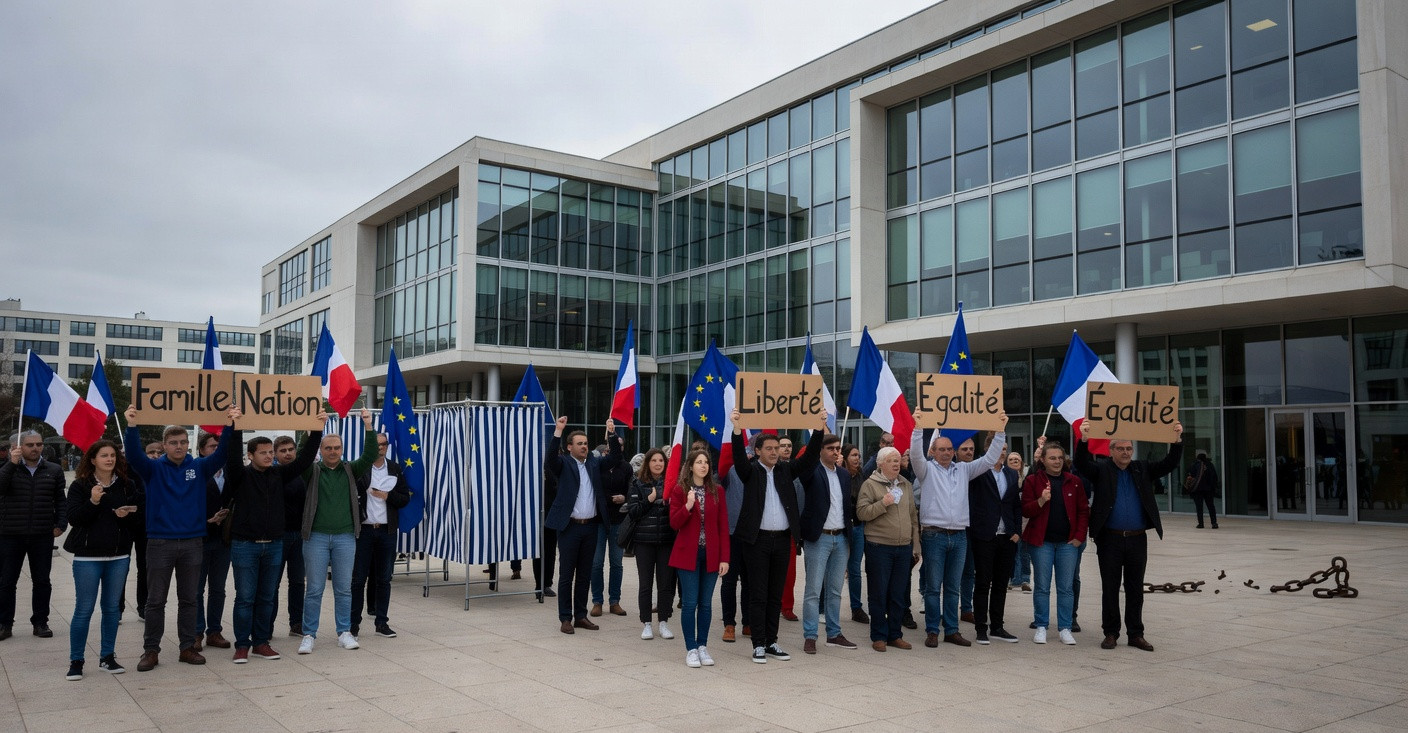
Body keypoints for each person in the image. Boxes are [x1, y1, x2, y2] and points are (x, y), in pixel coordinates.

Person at [123, 405, 238, 671]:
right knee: (155, 601)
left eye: (183, 442)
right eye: (173, 443)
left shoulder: (199, 467)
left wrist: (230, 426)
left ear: (188, 444)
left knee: (189, 599)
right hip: (160, 543)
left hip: (192, 542)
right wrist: (131, 426)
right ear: (164, 445)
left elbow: (221, 454)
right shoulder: (152, 470)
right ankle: (151, 651)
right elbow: (133, 455)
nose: (179, 446)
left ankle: (187, 647)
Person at [222, 415, 322, 663]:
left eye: (270, 452)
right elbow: (232, 457)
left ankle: (261, 642)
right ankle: (242, 645)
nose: (269, 456)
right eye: (263, 453)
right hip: (245, 545)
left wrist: (316, 430)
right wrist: (235, 427)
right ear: (250, 455)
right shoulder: (240, 475)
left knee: (267, 596)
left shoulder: (279, 474)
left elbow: (305, 459)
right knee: (245, 597)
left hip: (274, 545)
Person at [1076, 421, 1182, 652]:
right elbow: (1081, 464)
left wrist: (1176, 441)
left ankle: (1136, 633)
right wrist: (1083, 440)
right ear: (1111, 451)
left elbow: (1169, 463)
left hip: (1136, 539)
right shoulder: (1102, 469)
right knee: (1110, 587)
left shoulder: (1141, 468)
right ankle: (1111, 633)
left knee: (1135, 588)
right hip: (1110, 540)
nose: (1125, 453)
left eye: (1129, 449)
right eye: (1121, 449)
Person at [729, 409, 823, 664]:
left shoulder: (785, 470)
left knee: (774, 594)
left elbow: (811, 457)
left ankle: (771, 641)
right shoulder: (750, 472)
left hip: (783, 540)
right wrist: (737, 429)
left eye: (776, 448)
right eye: (769, 448)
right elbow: (738, 458)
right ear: (758, 451)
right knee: (758, 594)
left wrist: (819, 428)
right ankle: (758, 643)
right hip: (757, 541)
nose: (774, 452)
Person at [909, 412, 1008, 649]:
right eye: (940, 449)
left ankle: (951, 630)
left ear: (953, 452)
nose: (945, 452)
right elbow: (914, 455)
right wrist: (918, 428)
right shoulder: (926, 471)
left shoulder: (963, 471)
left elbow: (989, 459)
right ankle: (933, 630)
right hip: (934, 535)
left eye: (948, 449)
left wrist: (1000, 430)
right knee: (933, 587)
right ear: (932, 451)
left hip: (960, 536)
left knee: (953, 587)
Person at [298, 408, 378, 655]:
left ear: (342, 450)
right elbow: (302, 455)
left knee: (344, 588)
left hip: (345, 537)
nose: (332, 452)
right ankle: (308, 634)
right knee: (314, 589)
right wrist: (313, 428)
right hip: (316, 538)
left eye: (337, 448)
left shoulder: (350, 470)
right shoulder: (312, 471)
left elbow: (371, 454)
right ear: (321, 450)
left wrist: (368, 426)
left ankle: (344, 631)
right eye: (328, 448)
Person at [63, 440, 143, 679]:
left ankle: (107, 657)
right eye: (104, 455)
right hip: (88, 558)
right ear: (93, 459)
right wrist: (93, 501)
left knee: (111, 609)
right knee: (84, 609)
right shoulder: (80, 486)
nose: (110, 459)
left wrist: (125, 516)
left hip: (119, 555)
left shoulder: (127, 485)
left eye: (113, 455)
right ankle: (76, 660)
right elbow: (75, 519)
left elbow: (137, 519)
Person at [544, 416, 621, 634]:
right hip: (569, 528)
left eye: (586, 443)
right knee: (567, 574)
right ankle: (565, 618)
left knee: (585, 574)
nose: (584, 447)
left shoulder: (595, 463)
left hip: (590, 528)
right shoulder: (564, 464)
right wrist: (558, 430)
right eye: (580, 444)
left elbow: (615, 457)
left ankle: (580, 615)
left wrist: (612, 433)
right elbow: (550, 459)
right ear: (570, 447)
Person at [0, 430, 67, 642]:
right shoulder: (6, 469)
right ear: (17, 447)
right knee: (6, 581)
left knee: (42, 581)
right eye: (30, 445)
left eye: (38, 444)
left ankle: (40, 622)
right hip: (10, 534)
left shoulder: (53, 470)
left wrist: (61, 523)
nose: (35, 448)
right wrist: (12, 463)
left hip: (41, 534)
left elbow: (60, 500)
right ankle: (4, 624)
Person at [1021, 441, 1088, 646]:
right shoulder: (1032, 481)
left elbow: (1083, 510)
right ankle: (1041, 625)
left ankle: (1065, 628)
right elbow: (1025, 510)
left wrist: (1079, 536)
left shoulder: (1074, 481)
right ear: (1043, 460)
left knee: (1066, 587)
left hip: (1068, 543)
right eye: (1052, 458)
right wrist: (1041, 500)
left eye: (1060, 458)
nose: (1057, 461)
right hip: (1042, 543)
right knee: (1042, 586)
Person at [668, 449, 730, 668]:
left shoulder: (717, 491)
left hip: (711, 555)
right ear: (691, 466)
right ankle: (691, 648)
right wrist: (688, 505)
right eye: (699, 462)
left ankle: (703, 645)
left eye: (706, 462)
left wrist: (725, 558)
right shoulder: (679, 490)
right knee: (690, 603)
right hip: (688, 555)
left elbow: (723, 526)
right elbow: (674, 523)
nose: (703, 466)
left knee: (705, 604)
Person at [855, 447, 919, 652]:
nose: (896, 463)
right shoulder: (870, 485)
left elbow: (912, 517)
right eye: (891, 460)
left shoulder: (906, 484)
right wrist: (883, 503)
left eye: (898, 460)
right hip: (879, 546)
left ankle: (895, 635)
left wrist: (915, 545)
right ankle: (879, 636)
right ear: (880, 464)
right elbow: (862, 513)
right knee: (878, 593)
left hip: (903, 547)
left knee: (898, 595)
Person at [799, 432, 858, 654]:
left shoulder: (844, 475)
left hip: (841, 537)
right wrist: (817, 434)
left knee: (834, 590)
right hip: (819, 537)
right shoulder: (811, 472)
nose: (836, 452)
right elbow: (806, 467)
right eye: (831, 448)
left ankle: (834, 633)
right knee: (813, 590)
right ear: (821, 451)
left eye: (837, 448)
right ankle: (811, 635)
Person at [352, 431, 411, 639]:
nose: (380, 448)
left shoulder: (394, 469)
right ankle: (353, 624)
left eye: (384, 444)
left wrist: (388, 496)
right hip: (365, 530)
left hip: (386, 530)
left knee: (384, 579)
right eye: (377, 445)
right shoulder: (359, 468)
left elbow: (404, 498)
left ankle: (382, 622)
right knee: (358, 579)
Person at [967, 441, 1022, 645]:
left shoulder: (1011, 473)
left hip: (1007, 537)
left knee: (1001, 584)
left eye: (1005, 450)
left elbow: (1015, 504)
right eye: (998, 449)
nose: (1002, 453)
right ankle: (981, 627)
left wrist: (1016, 531)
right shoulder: (979, 471)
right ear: (988, 450)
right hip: (984, 535)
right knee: (983, 583)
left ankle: (997, 626)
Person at [625, 448, 675, 641]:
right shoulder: (637, 483)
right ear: (648, 463)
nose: (657, 464)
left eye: (661, 461)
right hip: (643, 542)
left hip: (666, 541)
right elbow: (633, 511)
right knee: (645, 584)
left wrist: (667, 503)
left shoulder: (671, 483)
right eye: (654, 460)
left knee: (665, 585)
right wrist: (650, 500)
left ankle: (663, 622)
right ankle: (646, 622)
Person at [194, 431, 232, 653]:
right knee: (196, 589)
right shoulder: (195, 471)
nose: (216, 450)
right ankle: (196, 631)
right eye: (211, 447)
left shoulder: (230, 471)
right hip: (200, 538)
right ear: (201, 450)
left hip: (223, 540)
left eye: (219, 446)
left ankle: (214, 631)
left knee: (218, 588)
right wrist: (207, 520)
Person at [591, 428, 630, 618]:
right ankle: (597, 601)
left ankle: (615, 601)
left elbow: (632, 491)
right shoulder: (598, 465)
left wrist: (625, 498)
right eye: (613, 445)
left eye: (619, 445)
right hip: (599, 520)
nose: (616, 448)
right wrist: (608, 498)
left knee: (616, 563)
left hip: (618, 521)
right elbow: (594, 491)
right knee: (596, 563)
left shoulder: (626, 467)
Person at [272, 435, 307, 637]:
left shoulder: (303, 472)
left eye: (290, 449)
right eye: (283, 450)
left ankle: (297, 623)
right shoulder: (274, 474)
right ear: (276, 454)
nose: (287, 453)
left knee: (297, 582)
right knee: (272, 583)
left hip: (299, 536)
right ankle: (266, 626)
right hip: (279, 536)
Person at [718, 465, 749, 643]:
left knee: (750, 582)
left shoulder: (756, 468)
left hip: (752, 534)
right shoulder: (727, 469)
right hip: (730, 533)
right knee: (729, 582)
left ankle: (748, 622)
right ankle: (729, 624)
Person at [841, 444, 868, 624]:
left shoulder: (862, 477)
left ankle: (856, 607)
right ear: (844, 458)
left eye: (858, 455)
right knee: (833, 569)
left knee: (855, 569)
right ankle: (823, 607)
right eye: (853, 455)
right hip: (842, 527)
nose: (857, 458)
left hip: (858, 527)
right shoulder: (838, 475)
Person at [776, 436, 800, 624]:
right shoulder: (769, 469)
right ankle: (773, 604)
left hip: (792, 527)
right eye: (782, 446)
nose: (786, 449)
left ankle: (787, 607)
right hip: (771, 526)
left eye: (789, 445)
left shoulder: (796, 468)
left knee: (790, 571)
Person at [1005, 451, 1033, 593]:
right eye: (1011, 459)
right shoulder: (1004, 477)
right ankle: (1011, 578)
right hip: (1010, 523)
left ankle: (1025, 579)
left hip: (1026, 523)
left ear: (1021, 463)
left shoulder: (1027, 479)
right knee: (1011, 552)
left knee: (1024, 553)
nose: (1014, 461)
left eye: (1017, 459)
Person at [1188, 451, 1220, 529]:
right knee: (1211, 506)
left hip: (1197, 490)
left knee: (1199, 507)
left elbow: (1191, 476)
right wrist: (1213, 487)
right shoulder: (1210, 465)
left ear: (1198, 458)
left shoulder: (1195, 465)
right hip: (1208, 490)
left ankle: (1201, 524)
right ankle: (1214, 523)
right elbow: (1215, 477)